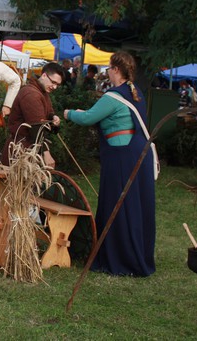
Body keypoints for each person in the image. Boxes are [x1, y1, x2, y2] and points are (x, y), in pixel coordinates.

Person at [62, 51, 156, 277]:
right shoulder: (136, 93)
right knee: (134, 206)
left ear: (115, 70)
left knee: (119, 205)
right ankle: (136, 255)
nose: (107, 72)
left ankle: (120, 257)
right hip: (138, 155)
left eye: (109, 68)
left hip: (121, 157)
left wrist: (67, 113)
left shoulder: (113, 97)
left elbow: (87, 118)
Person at [1, 62, 65, 167]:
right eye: (53, 82)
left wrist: (53, 118)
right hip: (19, 152)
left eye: (57, 84)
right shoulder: (31, 94)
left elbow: (48, 112)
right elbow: (36, 127)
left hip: (30, 150)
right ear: (44, 75)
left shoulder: (42, 92)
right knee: (15, 183)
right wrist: (46, 153)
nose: (54, 87)